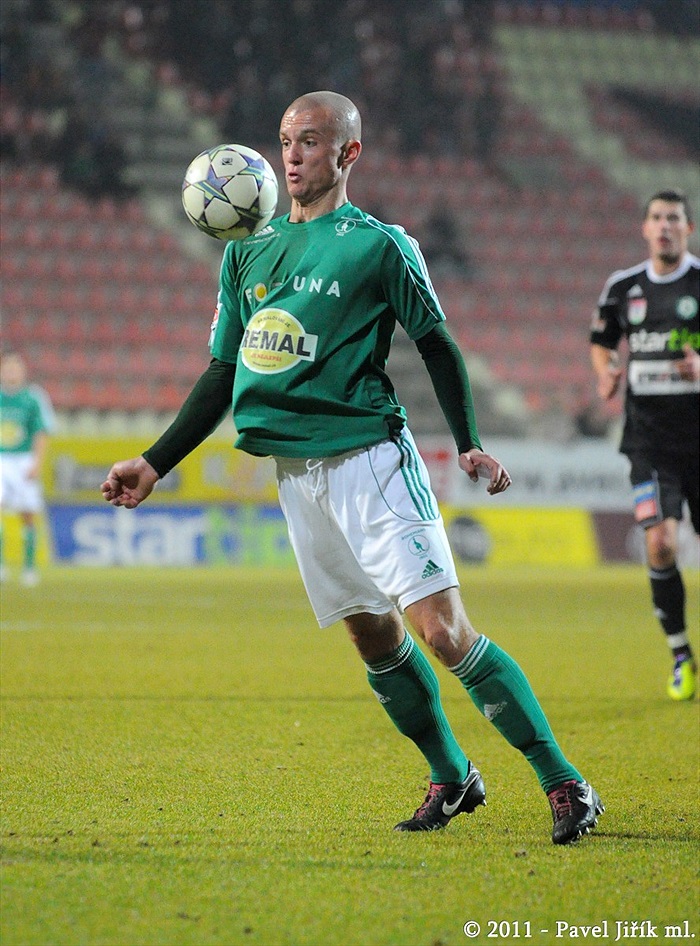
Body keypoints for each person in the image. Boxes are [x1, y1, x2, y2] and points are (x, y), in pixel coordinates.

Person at [102, 91, 603, 844]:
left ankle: (565, 781)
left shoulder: (380, 245)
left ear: (349, 153)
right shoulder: (247, 252)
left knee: (444, 633)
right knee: (374, 638)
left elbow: (437, 343)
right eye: (285, 140)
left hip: (370, 461)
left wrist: (467, 439)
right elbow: (222, 372)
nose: (292, 155)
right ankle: (452, 775)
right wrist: (154, 461)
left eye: (309, 141)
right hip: (296, 475)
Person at [590, 189, 700, 701]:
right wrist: (606, 372)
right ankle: (680, 654)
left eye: (673, 218)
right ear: (645, 228)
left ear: (688, 229)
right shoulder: (623, 287)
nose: (664, 226)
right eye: (656, 217)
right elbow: (601, 342)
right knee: (660, 544)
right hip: (649, 442)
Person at [0, 352, 56, 586]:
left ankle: (29, 567)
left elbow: (41, 431)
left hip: (24, 459)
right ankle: (1, 565)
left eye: (15, 368)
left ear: (23, 372)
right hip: (1, 458)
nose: (11, 372)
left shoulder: (33, 398)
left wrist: (37, 463)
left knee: (28, 514)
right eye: (7, 368)